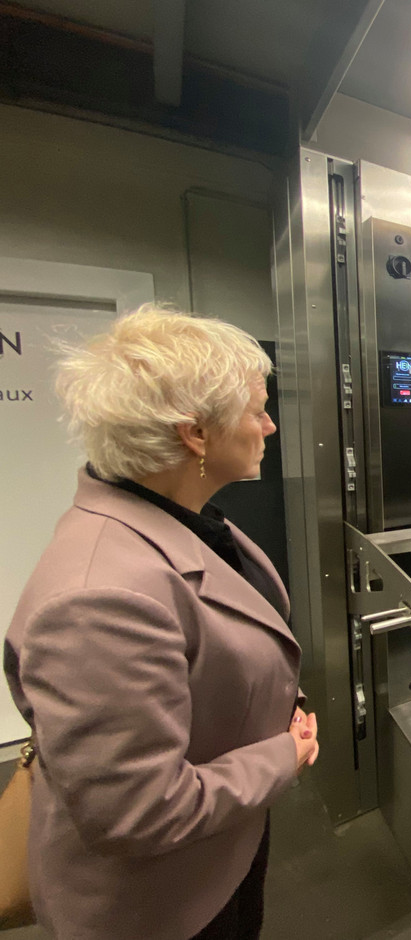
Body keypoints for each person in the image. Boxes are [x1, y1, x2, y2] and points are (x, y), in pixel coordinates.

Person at [3, 306, 320, 940]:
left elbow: (228, 649)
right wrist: (284, 755)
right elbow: (139, 813)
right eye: (256, 409)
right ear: (195, 434)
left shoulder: (185, 519)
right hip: (164, 908)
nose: (269, 424)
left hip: (218, 853)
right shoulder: (97, 597)